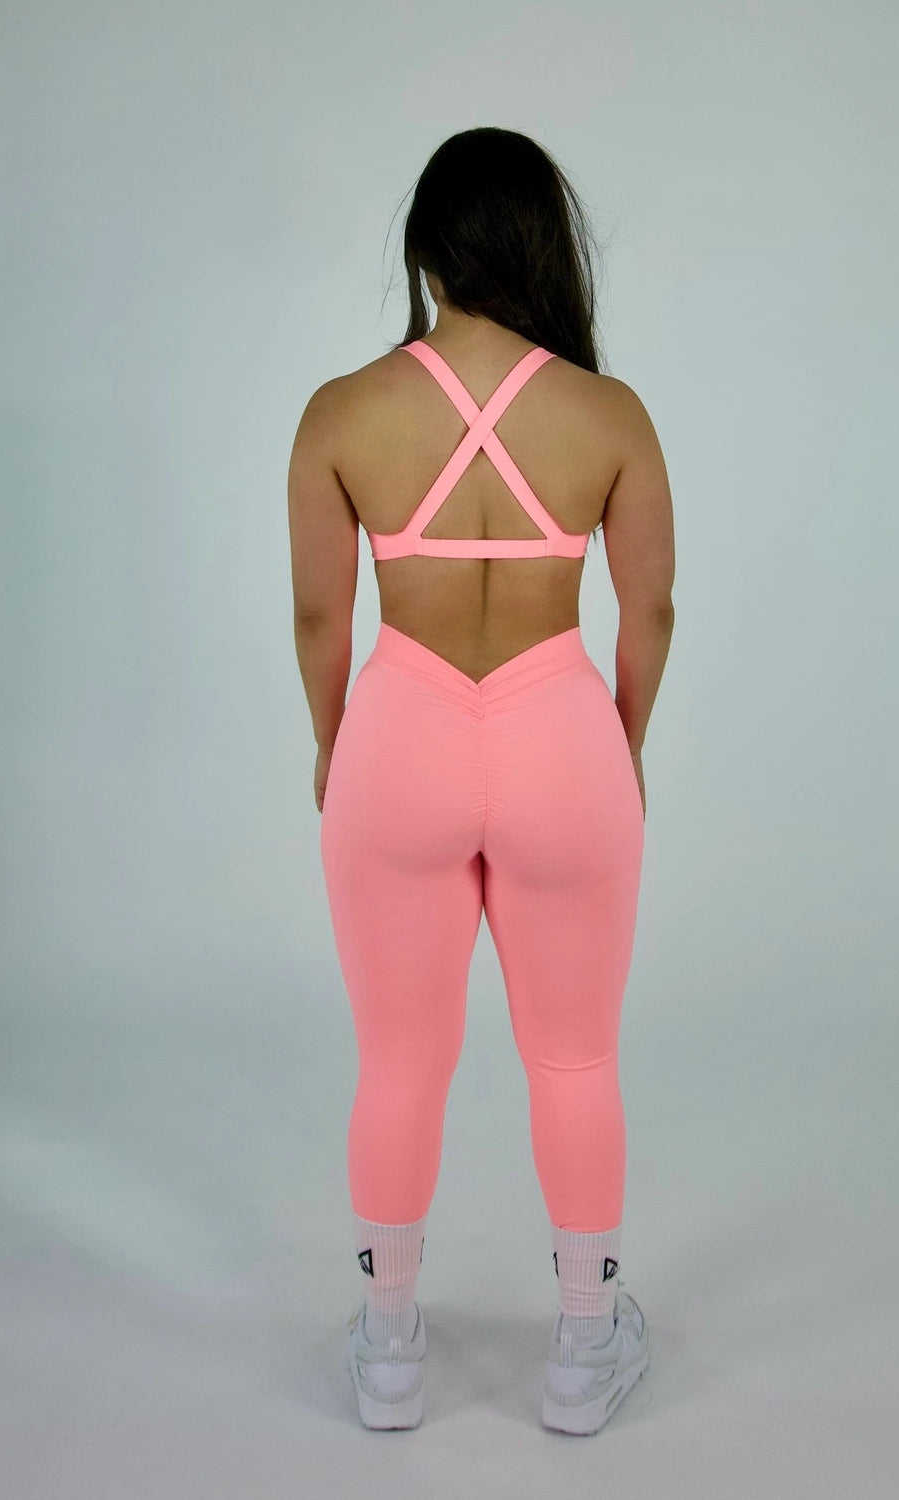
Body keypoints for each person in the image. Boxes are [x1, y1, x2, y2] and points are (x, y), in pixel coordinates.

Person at [287, 127, 675, 1434]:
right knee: (576, 1056)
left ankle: (390, 1349)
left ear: (428, 253)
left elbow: (319, 617)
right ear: (543, 247)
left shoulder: (342, 412)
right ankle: (584, 1350)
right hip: (560, 733)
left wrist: (334, 742)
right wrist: (621, 742)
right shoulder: (609, 416)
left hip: (400, 734)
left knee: (398, 1058)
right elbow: (652, 609)